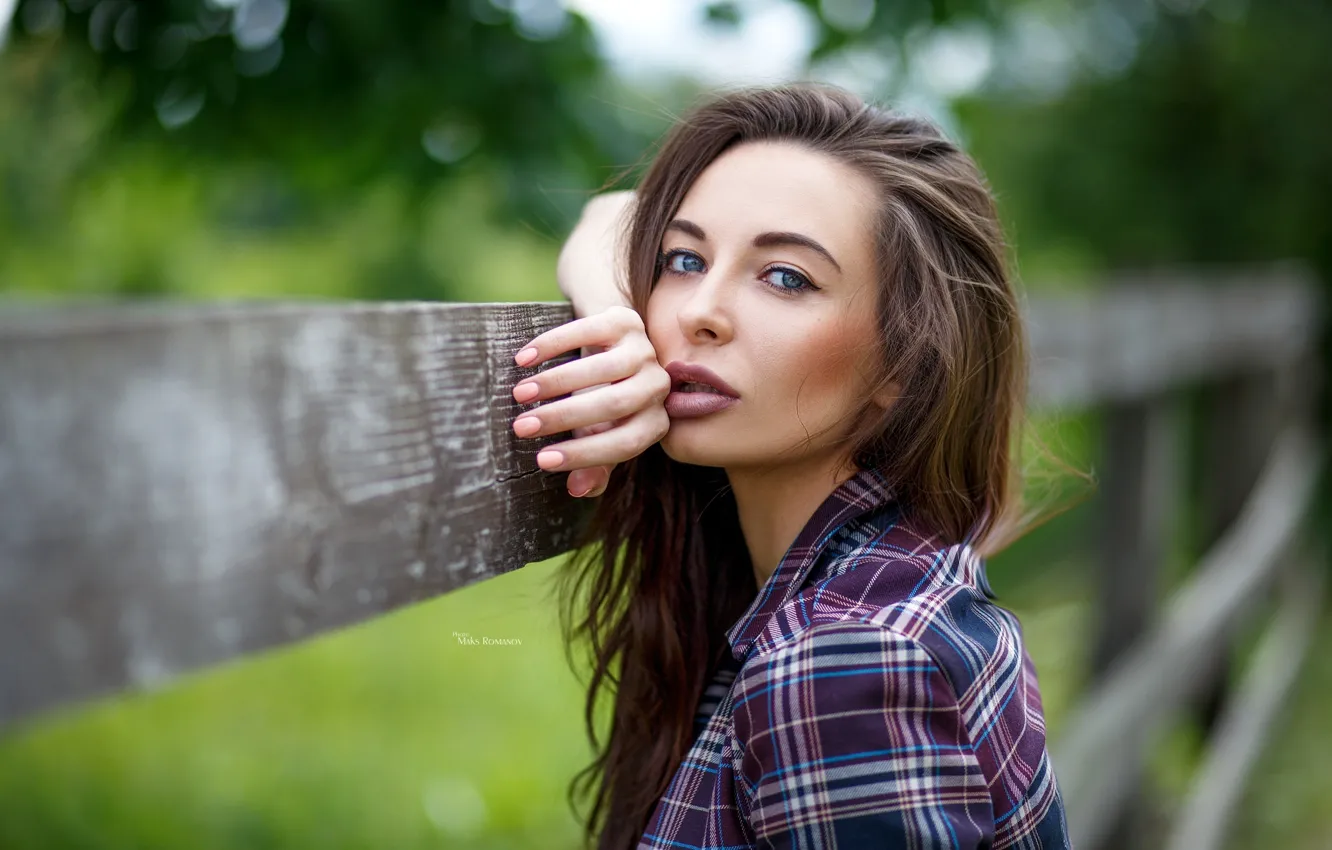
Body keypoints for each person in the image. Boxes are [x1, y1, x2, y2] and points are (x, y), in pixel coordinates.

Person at [507, 84, 1072, 849]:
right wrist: (618, 325)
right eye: (683, 258)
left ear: (903, 364)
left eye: (785, 277)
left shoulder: (842, 659)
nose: (698, 310)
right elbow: (607, 217)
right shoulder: (900, 575)